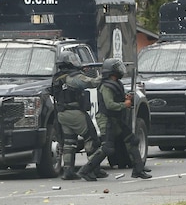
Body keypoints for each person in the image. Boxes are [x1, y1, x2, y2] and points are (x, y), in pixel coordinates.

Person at [78, 58, 150, 181]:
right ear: (112, 71)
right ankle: (86, 170)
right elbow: (109, 104)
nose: (121, 70)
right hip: (106, 119)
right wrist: (125, 105)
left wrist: (125, 98)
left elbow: (117, 99)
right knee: (107, 148)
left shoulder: (116, 83)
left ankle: (138, 170)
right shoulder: (106, 86)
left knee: (132, 140)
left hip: (116, 119)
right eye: (118, 68)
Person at [51, 51, 106, 180]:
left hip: (62, 114)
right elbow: (92, 83)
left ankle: (68, 171)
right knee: (91, 138)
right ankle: (92, 170)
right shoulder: (74, 77)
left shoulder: (57, 78)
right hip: (75, 112)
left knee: (69, 143)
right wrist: (106, 74)